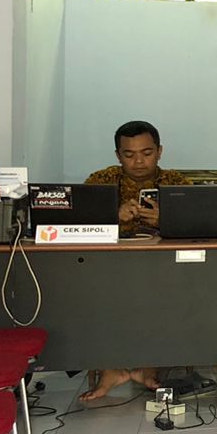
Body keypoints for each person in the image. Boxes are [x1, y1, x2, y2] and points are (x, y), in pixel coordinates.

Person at [78, 120, 189, 402]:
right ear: (118, 155)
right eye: (129, 155)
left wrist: (168, 219)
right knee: (92, 292)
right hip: (109, 267)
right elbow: (76, 223)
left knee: (167, 291)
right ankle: (110, 369)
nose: (139, 161)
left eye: (147, 153)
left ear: (160, 151)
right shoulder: (100, 181)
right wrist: (113, 217)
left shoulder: (177, 183)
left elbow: (201, 227)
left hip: (163, 267)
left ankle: (148, 365)